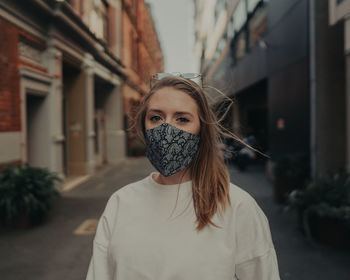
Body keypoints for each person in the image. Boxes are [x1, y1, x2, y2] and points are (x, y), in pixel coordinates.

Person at [86, 73, 280, 280]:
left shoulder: (238, 206)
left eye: (182, 119)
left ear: (201, 130)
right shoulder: (121, 202)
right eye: (156, 118)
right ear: (144, 125)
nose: (167, 129)